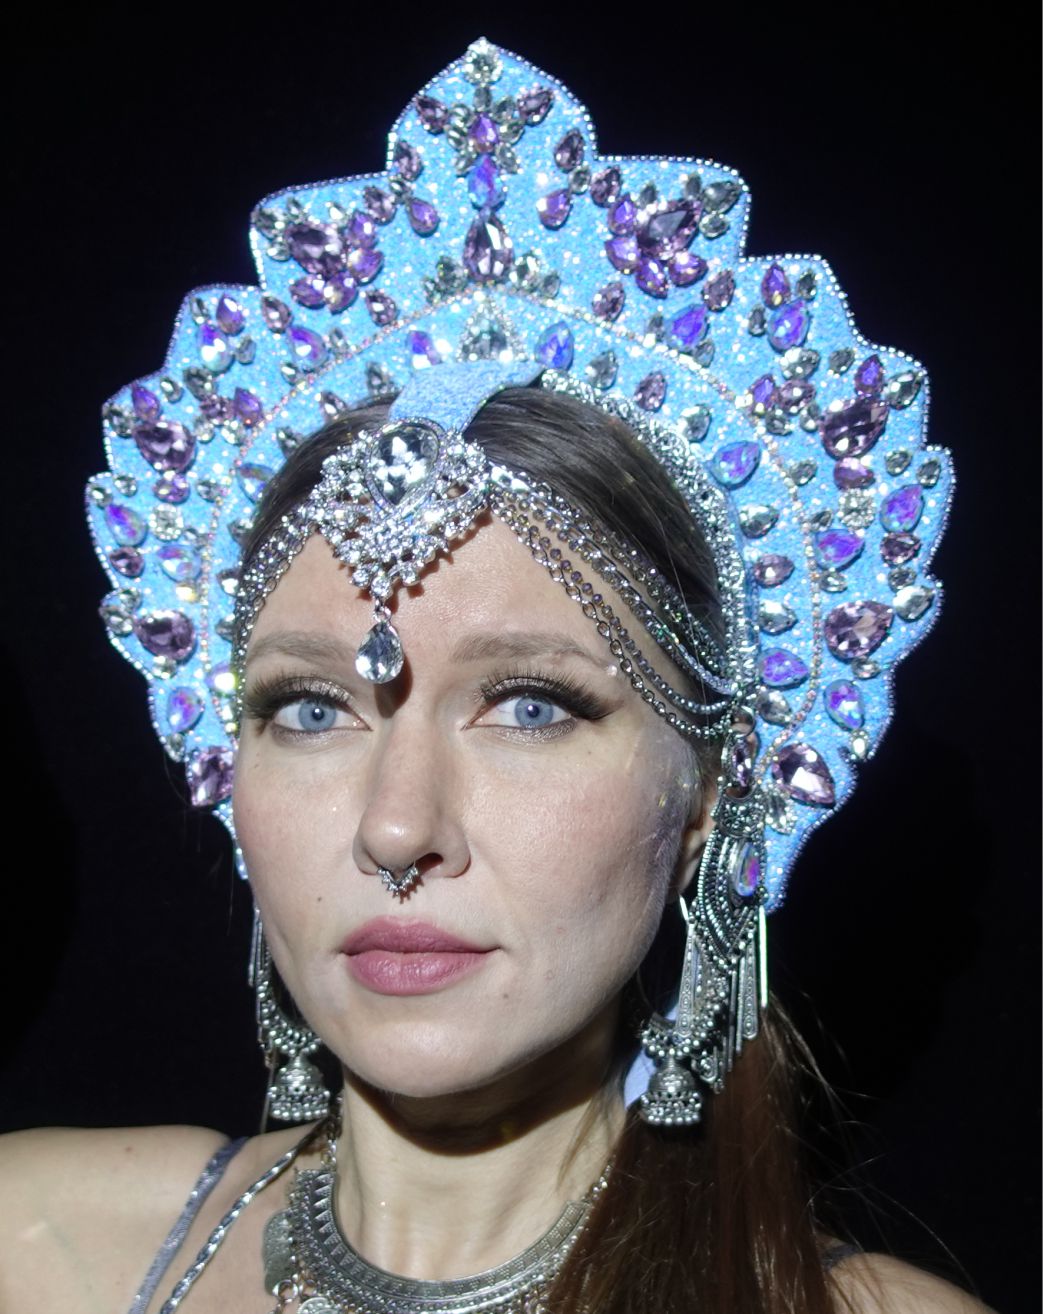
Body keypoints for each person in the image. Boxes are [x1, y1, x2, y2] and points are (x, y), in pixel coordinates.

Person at [0, 38, 996, 1314]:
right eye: (311, 709)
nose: (394, 827)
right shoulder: (39, 1250)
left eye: (531, 707)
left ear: (709, 793)